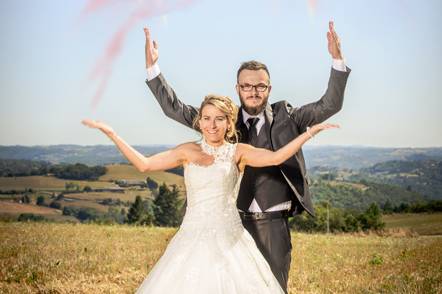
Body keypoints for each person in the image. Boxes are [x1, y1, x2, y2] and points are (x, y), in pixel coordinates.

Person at [144, 21, 351, 293]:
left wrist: (337, 59)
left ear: (269, 88)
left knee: (274, 286)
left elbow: (330, 104)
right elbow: (175, 109)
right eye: (247, 86)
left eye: (260, 87)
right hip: (232, 226)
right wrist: (153, 68)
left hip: (273, 223)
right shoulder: (220, 121)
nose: (253, 92)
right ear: (237, 88)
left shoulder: (290, 117)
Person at [82, 93, 337, 293]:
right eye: (206, 118)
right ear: (199, 121)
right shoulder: (187, 150)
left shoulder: (238, 152)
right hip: (191, 235)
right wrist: (112, 133)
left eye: (219, 119)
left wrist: (309, 133)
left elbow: (276, 157)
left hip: (231, 238)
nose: (211, 125)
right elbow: (144, 165)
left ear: (228, 123)